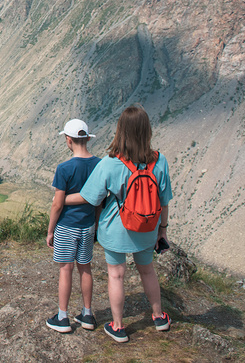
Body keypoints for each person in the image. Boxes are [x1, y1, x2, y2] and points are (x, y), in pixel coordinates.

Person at [65, 105, 173, 343]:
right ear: (147, 131)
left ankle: (118, 326)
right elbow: (164, 201)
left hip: (115, 230)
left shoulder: (111, 163)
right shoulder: (159, 161)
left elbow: (89, 196)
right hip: (147, 229)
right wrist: (161, 231)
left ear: (120, 131)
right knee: (147, 270)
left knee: (116, 275)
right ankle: (159, 317)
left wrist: (61, 198)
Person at [45, 119, 101, 333]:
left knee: (65, 270)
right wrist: (95, 225)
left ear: (68, 140)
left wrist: (50, 231)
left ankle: (62, 317)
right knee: (85, 268)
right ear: (87, 139)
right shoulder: (99, 164)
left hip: (66, 226)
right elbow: (99, 199)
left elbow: (58, 204)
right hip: (87, 226)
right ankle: (87, 314)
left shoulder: (64, 168)